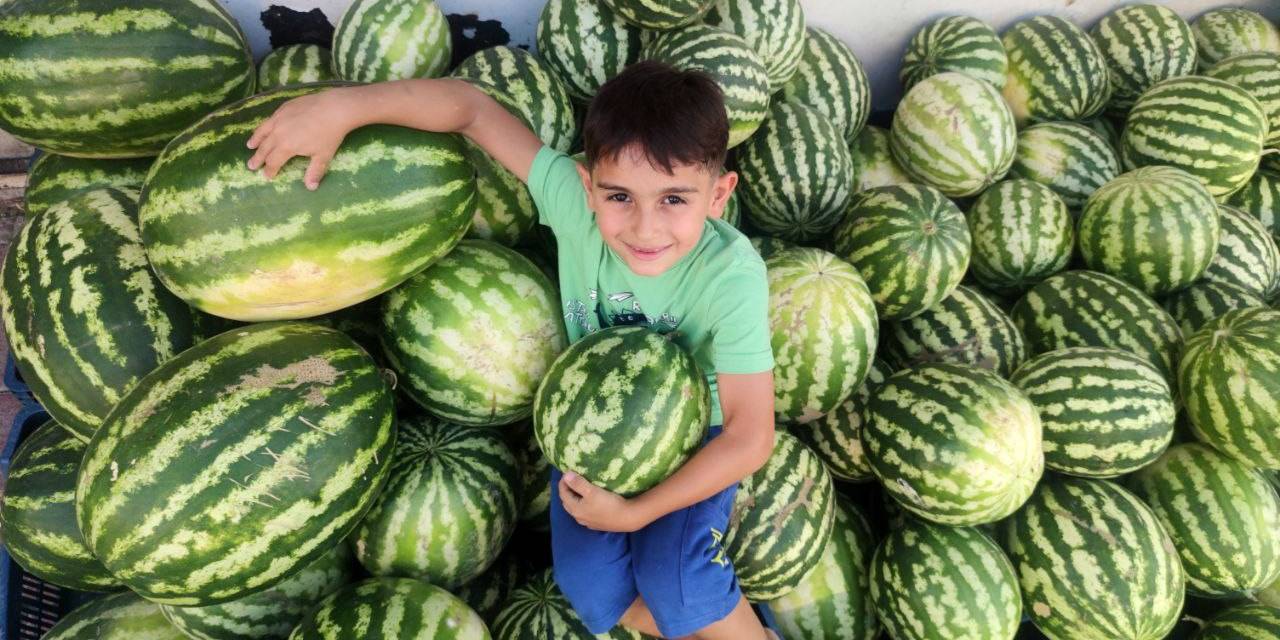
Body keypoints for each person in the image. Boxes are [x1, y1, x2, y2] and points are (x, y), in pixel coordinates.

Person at [245, 59, 778, 640]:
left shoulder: (732, 277)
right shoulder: (572, 205)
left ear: (720, 195)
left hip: (693, 441)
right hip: (583, 430)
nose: (645, 228)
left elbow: (750, 436)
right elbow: (471, 109)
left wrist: (636, 512)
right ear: (585, 186)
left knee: (679, 580)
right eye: (620, 196)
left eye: (674, 199)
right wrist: (345, 107)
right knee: (593, 592)